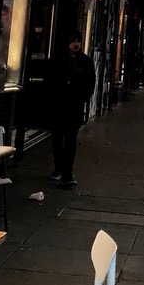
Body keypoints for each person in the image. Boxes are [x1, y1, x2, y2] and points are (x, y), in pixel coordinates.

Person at [47, 34, 97, 188]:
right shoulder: (57, 60)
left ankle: (67, 172)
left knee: (70, 139)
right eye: (73, 41)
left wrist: (83, 98)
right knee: (57, 138)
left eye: (79, 41)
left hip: (74, 105)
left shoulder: (86, 61)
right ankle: (59, 168)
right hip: (58, 104)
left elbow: (91, 82)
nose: (77, 44)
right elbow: (49, 79)